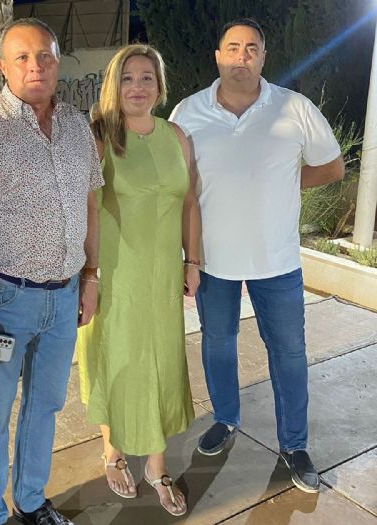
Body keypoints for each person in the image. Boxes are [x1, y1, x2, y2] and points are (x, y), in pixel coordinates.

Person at [0, 18, 103, 525]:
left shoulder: (76, 125)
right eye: (23, 57)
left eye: (46, 56)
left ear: (58, 62)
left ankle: (31, 503)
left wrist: (91, 276)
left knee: (45, 407)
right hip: (4, 301)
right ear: (2, 66)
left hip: (64, 298)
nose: (36, 66)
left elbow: (89, 205)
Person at [170, 18, 344, 493]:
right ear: (218, 56)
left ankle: (295, 445)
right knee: (217, 344)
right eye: (233, 48)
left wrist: (285, 181)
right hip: (212, 260)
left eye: (251, 49)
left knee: (288, 354)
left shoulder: (294, 108)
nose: (241, 57)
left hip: (277, 261)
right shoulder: (188, 112)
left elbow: (332, 167)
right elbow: (177, 184)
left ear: (264, 57)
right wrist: (184, 255)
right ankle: (225, 419)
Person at [76, 44, 200, 516]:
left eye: (147, 77)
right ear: (114, 85)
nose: (137, 87)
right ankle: (112, 451)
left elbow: (189, 202)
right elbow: (86, 208)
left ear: (159, 86)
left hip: (163, 274)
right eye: (127, 78)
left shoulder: (177, 136)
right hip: (115, 272)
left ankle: (156, 464)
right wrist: (89, 275)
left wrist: (192, 261)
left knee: (162, 362)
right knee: (117, 360)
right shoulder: (100, 136)